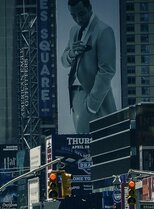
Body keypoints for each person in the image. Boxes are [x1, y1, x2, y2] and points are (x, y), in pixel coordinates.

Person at [60, 0, 117, 134]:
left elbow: (107, 71)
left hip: (92, 95)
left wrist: (91, 105)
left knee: (91, 139)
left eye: (81, 14)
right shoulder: (74, 31)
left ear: (90, 8)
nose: (78, 19)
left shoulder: (104, 31)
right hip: (75, 95)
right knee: (82, 141)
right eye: (73, 15)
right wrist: (72, 53)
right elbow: (64, 61)